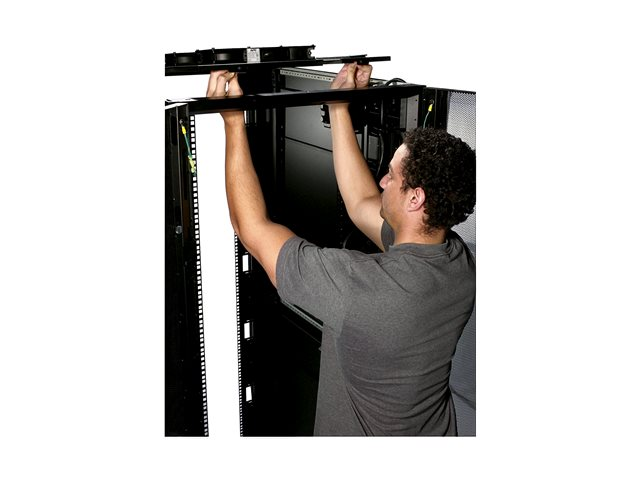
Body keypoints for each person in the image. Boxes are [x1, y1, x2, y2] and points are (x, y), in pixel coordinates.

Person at [207, 63, 476, 436]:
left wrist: (233, 122)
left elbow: (249, 228)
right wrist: (338, 108)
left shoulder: (361, 289)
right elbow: (361, 202)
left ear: (415, 199)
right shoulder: (457, 262)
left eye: (392, 175)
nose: (382, 180)